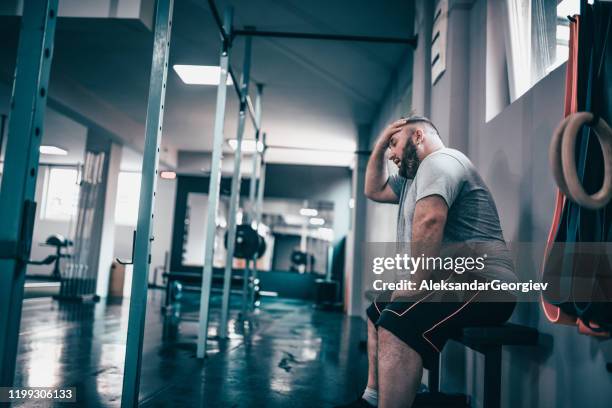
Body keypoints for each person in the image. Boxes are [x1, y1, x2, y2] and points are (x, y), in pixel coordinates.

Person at [335, 115, 517, 408]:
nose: (392, 154)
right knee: (377, 310)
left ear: (418, 136)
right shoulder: (413, 179)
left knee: (397, 322)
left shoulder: (441, 162)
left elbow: (430, 219)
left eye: (395, 144)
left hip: (488, 286)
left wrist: (418, 282)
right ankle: (374, 397)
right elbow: (373, 189)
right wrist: (382, 141)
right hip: (457, 282)